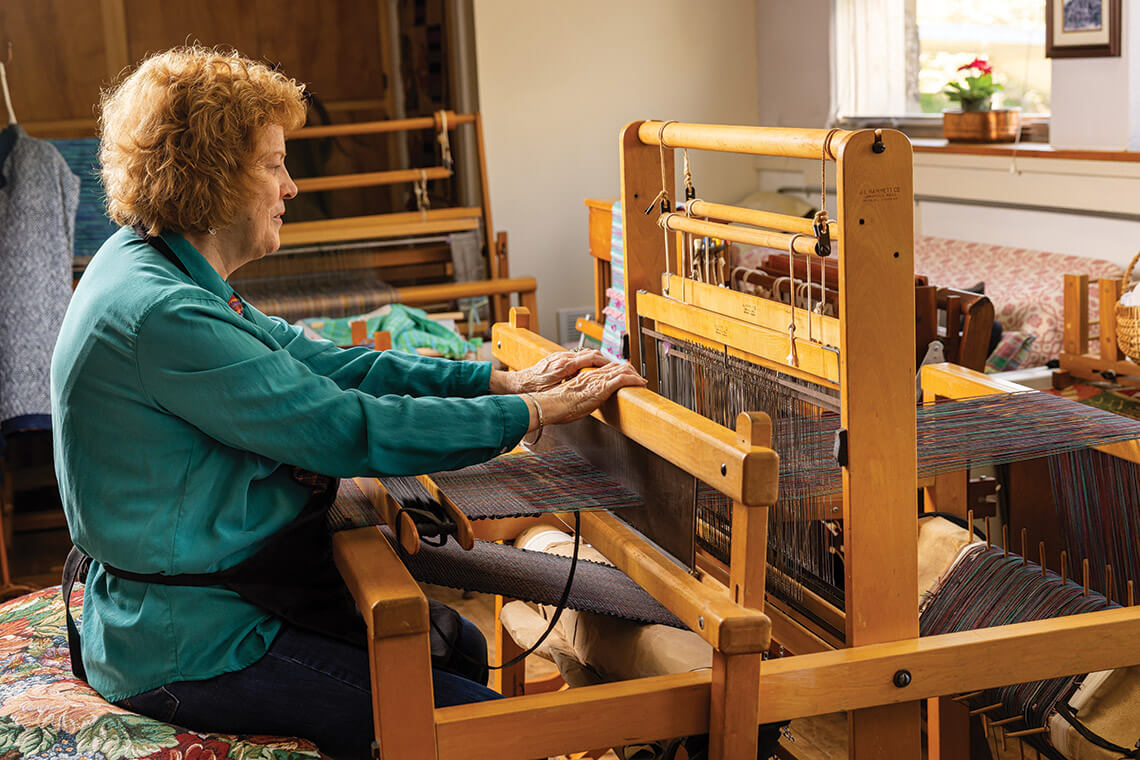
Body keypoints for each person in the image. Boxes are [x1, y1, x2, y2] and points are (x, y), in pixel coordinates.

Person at [51, 46, 645, 760]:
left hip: (199, 601)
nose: (291, 186)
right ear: (213, 175)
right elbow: (346, 429)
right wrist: (536, 416)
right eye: (274, 163)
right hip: (194, 642)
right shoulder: (165, 315)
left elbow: (316, 360)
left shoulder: (148, 261)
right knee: (490, 729)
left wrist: (496, 380)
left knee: (460, 645)